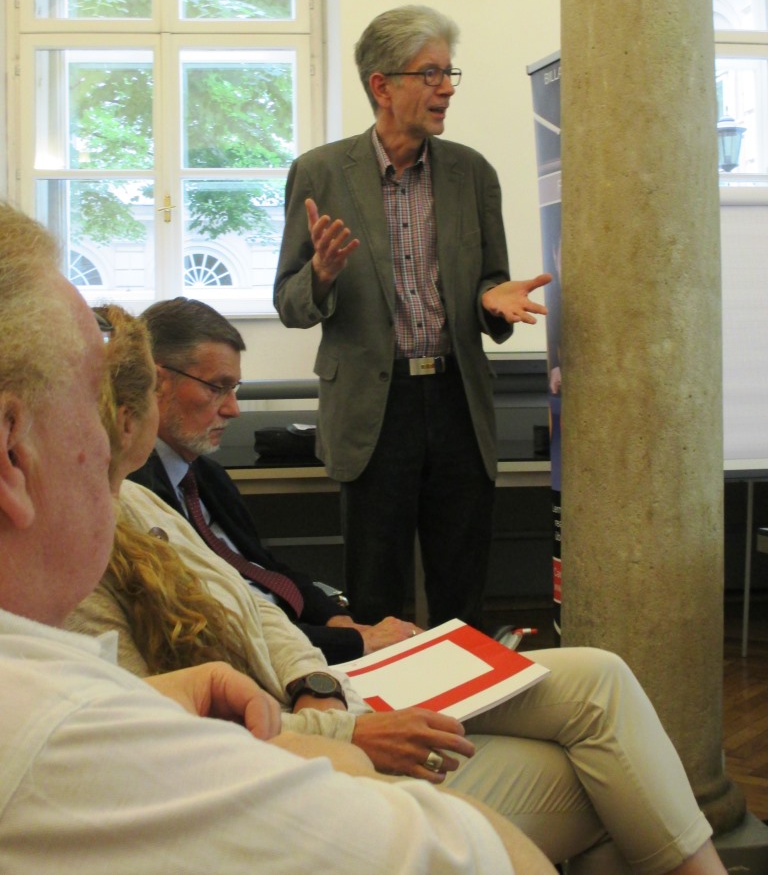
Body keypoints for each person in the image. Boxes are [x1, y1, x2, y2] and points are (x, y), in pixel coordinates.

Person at [68, 302, 729, 874]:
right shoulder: (90, 541)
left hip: (317, 697)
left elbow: (255, 595)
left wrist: (318, 673)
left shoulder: (136, 500)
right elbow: (173, 736)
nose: (233, 409)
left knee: (603, 682)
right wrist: (345, 722)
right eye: (218, 388)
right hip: (296, 760)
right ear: (133, 404)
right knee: (606, 776)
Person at [0, 201, 557, 875]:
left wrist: (312, 675)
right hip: (303, 727)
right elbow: (476, 856)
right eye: (91, 399)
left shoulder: (155, 512)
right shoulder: (62, 726)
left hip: (299, 700)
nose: (110, 438)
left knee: (591, 702)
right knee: (568, 765)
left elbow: (253, 589)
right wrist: (343, 738)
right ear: (12, 452)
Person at [274, 4, 552, 630]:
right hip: (374, 408)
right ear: (382, 85)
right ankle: (385, 694)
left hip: (457, 401)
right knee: (375, 596)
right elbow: (289, 301)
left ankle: (469, 691)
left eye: (449, 73)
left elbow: (491, 279)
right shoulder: (321, 173)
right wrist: (320, 275)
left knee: (461, 590)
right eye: (430, 73)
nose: (446, 88)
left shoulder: (471, 173)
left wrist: (491, 299)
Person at [129, 295, 419, 665]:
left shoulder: (204, 476)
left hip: (297, 640)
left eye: (234, 388)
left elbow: (264, 568)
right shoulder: (132, 496)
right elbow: (209, 628)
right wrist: (354, 643)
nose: (233, 409)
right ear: (158, 381)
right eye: (216, 387)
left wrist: (333, 618)